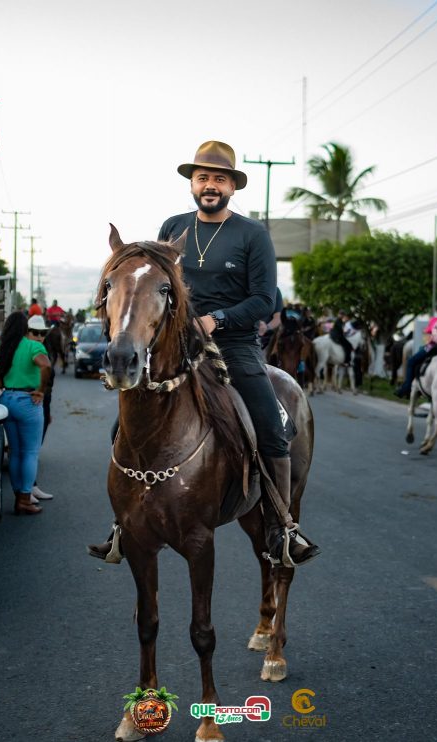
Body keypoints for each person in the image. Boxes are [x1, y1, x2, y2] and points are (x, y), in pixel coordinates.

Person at [89, 140, 319, 567]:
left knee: (269, 422)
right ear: (192, 184)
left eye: (219, 178)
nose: (210, 185)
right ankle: (124, 522)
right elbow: (159, 287)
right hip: (180, 346)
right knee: (124, 426)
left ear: (232, 186)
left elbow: (264, 299)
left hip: (234, 346)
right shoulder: (173, 226)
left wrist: (217, 320)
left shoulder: (253, 234)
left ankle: (283, 526)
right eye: (202, 178)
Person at [0, 311, 51, 515]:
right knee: (30, 452)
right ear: (25, 329)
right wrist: (41, 390)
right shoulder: (33, 346)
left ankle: (18, 496)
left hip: (5, 401)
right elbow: (46, 365)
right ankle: (24, 499)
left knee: (14, 451)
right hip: (27, 402)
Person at [394, 301, 437, 398]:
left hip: (432, 347)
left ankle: (406, 388)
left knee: (411, 361)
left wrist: (427, 341)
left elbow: (427, 334)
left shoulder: (434, 320)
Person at [26, 315, 55, 502]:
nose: (39, 336)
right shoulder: (26, 350)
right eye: (35, 333)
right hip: (30, 400)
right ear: (27, 333)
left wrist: (48, 410)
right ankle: (25, 490)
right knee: (26, 450)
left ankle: (32, 486)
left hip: (44, 402)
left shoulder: (44, 349)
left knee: (35, 448)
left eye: (42, 333)